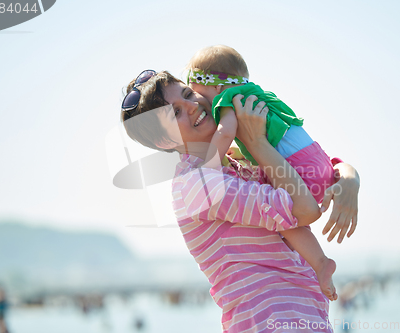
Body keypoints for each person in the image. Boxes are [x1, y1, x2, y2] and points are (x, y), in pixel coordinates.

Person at [120, 70, 360, 332]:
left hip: (303, 314)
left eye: (188, 94)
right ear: (164, 140)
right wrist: (256, 141)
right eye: (175, 112)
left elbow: (311, 165)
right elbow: (303, 209)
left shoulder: (235, 162)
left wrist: (349, 179)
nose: (191, 106)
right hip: (269, 319)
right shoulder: (195, 186)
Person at [185, 45, 352, 300]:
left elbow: (226, 132)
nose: (202, 104)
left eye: (201, 94)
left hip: (300, 175)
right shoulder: (257, 96)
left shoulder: (228, 101)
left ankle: (319, 263)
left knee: (284, 217)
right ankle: (321, 264)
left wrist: (209, 166)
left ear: (217, 87)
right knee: (287, 218)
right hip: (318, 165)